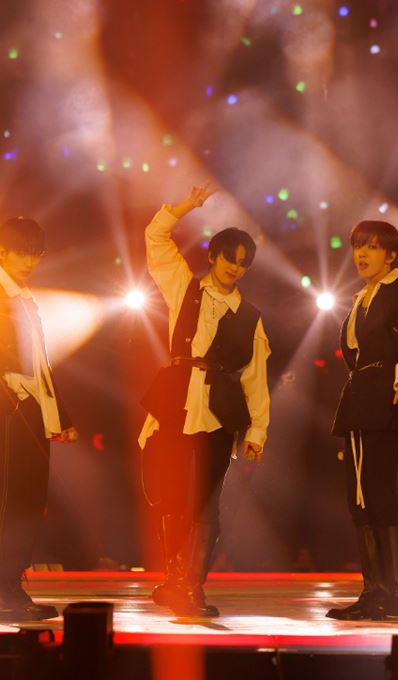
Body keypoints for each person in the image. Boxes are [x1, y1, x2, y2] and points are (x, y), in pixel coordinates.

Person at [138, 183, 271, 618]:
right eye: (230, 258)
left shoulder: (250, 317)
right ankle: (174, 579)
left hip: (219, 413)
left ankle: (192, 585)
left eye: (243, 263)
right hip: (176, 402)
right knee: (171, 496)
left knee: (207, 503)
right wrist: (186, 206)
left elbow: (255, 377)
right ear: (213, 256)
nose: (236, 267)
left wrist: (257, 432)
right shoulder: (185, 287)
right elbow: (155, 238)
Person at [0, 217, 78, 623]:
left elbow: (41, 363)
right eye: (23, 253)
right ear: (3, 252)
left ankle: (12, 587)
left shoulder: (22, 296)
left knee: (30, 498)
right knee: (11, 498)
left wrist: (59, 414)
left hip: (32, 404)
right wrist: (9, 404)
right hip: (13, 404)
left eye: (36, 254)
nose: (30, 261)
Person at [325, 220, 398, 622]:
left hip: (383, 399)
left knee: (380, 494)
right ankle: (374, 592)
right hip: (360, 400)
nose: (362, 253)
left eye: (372, 247)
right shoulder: (362, 296)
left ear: (391, 255)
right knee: (360, 498)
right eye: (358, 246)